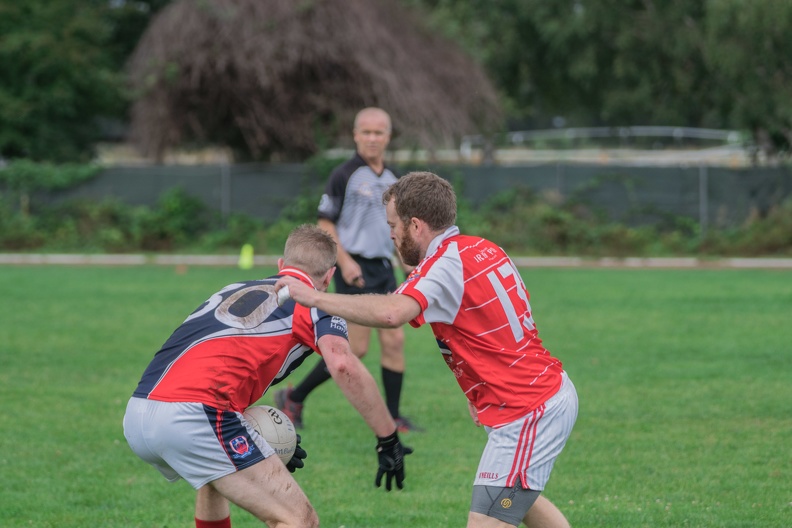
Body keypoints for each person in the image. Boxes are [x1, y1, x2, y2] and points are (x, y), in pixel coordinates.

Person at [276, 172, 579, 528]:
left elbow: (392, 312)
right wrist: (478, 385)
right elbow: (499, 320)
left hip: (528, 409)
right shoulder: (481, 247)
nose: (390, 235)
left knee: (495, 508)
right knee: (520, 499)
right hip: (537, 394)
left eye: (393, 225)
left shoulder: (442, 265)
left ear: (415, 225)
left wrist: (314, 297)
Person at [123, 224, 409, 528]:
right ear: (329, 276)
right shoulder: (315, 303)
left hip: (139, 411)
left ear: (281, 266)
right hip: (195, 413)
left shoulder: (230, 290)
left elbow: (216, 362)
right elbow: (341, 363)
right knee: (299, 520)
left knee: (213, 479)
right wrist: (387, 437)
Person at [275, 107, 420, 433]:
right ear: (355, 135)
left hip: (384, 268)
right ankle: (293, 396)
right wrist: (345, 261)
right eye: (366, 132)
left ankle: (393, 417)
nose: (372, 138)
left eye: (378, 132)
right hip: (354, 266)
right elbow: (325, 222)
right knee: (356, 347)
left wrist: (407, 266)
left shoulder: (396, 178)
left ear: (388, 136)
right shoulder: (344, 174)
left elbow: (398, 230)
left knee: (395, 340)